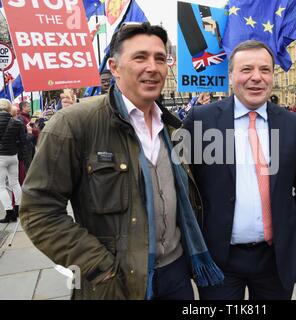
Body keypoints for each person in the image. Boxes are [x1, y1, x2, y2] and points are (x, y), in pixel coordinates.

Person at [19, 22, 223, 300]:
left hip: (177, 274)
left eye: (160, 58)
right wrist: (98, 266)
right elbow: (39, 211)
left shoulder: (174, 128)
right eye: (140, 57)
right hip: (116, 281)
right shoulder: (74, 123)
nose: (152, 67)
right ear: (114, 67)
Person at [183, 40, 296, 300]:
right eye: (246, 69)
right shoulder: (202, 120)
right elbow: (183, 185)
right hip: (218, 260)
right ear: (231, 75)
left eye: (265, 70)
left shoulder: (293, 124)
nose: (256, 77)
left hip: (275, 261)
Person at [0, 99, 31, 223]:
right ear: (9, 108)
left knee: (1, 187)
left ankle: (9, 213)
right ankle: (18, 209)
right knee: (15, 183)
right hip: (14, 156)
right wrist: (29, 133)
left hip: (1, 157)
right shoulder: (17, 122)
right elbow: (23, 141)